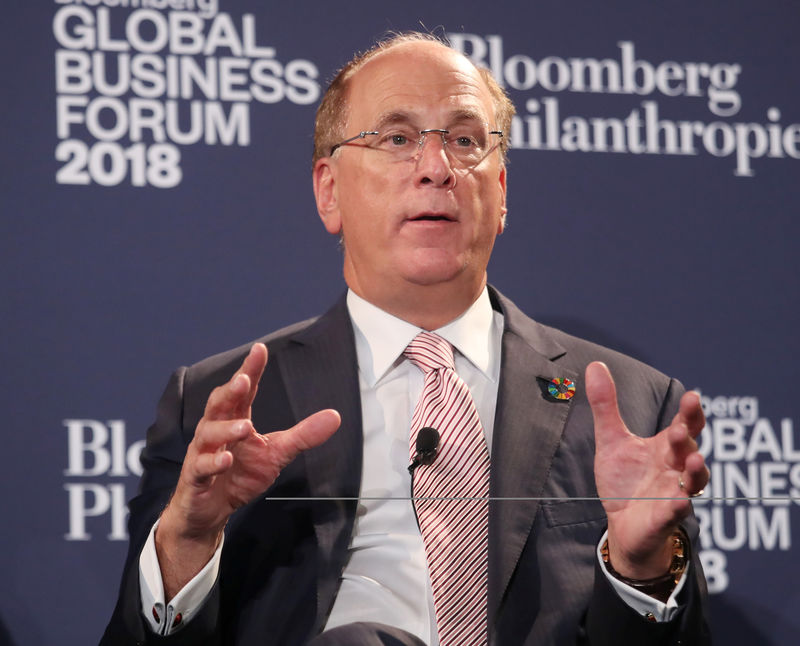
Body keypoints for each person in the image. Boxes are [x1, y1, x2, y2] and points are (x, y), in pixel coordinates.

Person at [101, 32, 711, 646]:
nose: (437, 168)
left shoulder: (631, 403)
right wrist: (188, 541)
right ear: (329, 191)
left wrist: (640, 570)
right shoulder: (223, 405)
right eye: (397, 139)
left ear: (501, 193)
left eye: (466, 141)